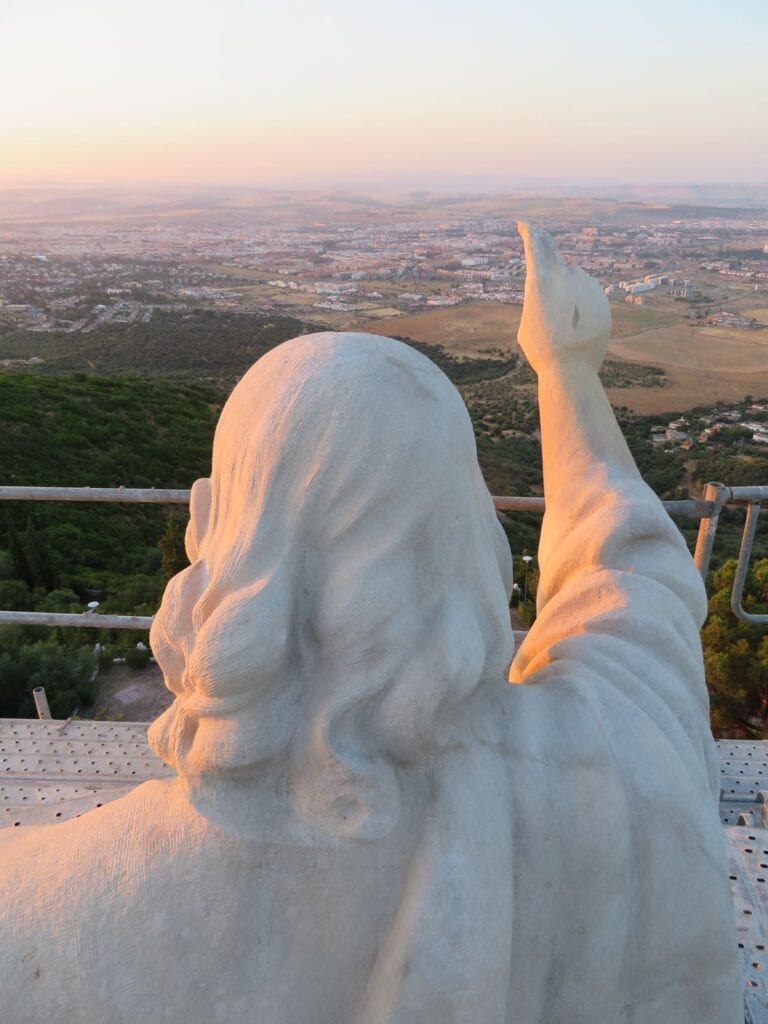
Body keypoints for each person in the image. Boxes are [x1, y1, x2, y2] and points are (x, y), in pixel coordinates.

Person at [0, 226, 742, 1023]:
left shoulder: (47, 917)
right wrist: (567, 372)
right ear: (471, 539)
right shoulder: (610, 768)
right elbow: (634, 590)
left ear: (206, 527)